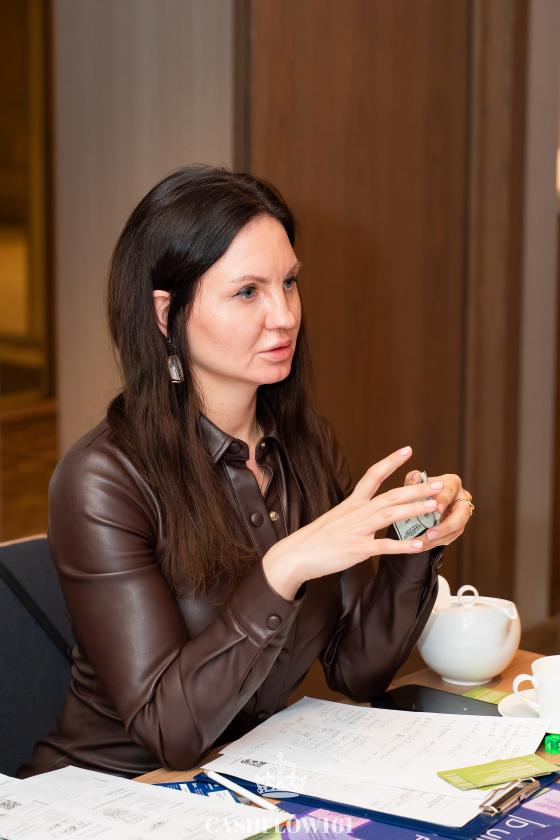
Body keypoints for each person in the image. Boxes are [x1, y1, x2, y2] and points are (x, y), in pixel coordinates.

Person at [20, 166, 473, 779]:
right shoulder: (101, 480)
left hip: (248, 780)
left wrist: (410, 536)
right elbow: (171, 733)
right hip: (114, 792)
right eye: (247, 292)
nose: (284, 316)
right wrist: (284, 567)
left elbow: (356, 670)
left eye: (289, 283)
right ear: (165, 314)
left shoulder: (306, 444)